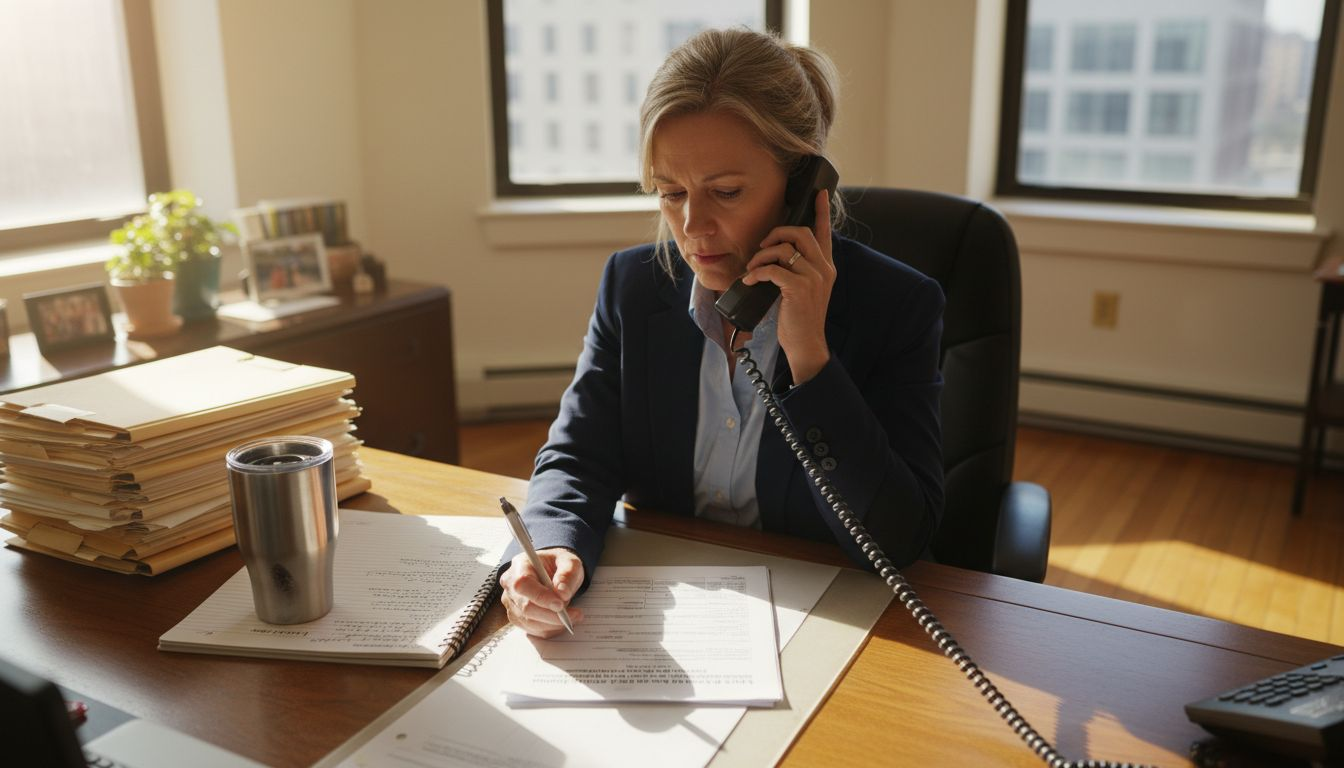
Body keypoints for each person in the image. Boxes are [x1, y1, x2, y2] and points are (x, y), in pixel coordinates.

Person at [500, 27, 945, 638]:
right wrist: (552, 545)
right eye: (671, 193)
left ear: (801, 187)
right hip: (665, 614)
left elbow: (899, 540)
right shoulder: (634, 286)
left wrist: (810, 356)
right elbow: (578, 458)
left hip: (829, 624)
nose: (693, 227)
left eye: (726, 192)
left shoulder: (897, 306)